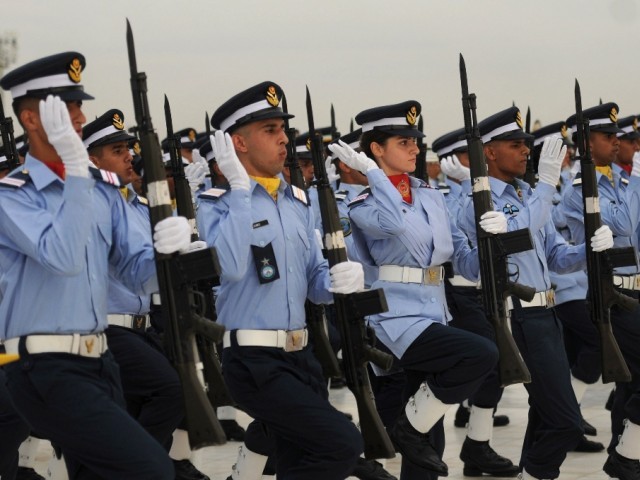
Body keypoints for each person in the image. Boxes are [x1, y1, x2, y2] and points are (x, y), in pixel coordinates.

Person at [0, 51, 192, 480]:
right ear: (31, 119)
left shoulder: (104, 192)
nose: (81, 117)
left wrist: (167, 253)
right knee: (151, 470)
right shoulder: (12, 196)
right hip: (42, 369)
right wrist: (76, 172)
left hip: (100, 359)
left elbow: (136, 274)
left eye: (79, 104)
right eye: (66, 106)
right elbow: (62, 256)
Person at [197, 80, 365, 480]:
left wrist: (337, 278)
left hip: (302, 355)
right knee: (342, 443)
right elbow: (231, 266)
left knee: (298, 459)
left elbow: (313, 282)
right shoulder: (216, 205)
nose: (284, 139)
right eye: (270, 130)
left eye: (283, 129)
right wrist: (239, 188)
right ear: (238, 142)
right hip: (253, 361)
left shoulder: (298, 201)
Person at [328, 100, 502, 478]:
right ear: (376, 149)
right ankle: (405, 430)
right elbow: (392, 223)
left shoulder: (430, 195)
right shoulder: (362, 203)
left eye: (415, 141)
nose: (414, 148)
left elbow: (463, 263)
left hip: (433, 312)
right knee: (479, 354)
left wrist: (491, 240)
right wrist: (373, 174)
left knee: (429, 441)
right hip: (393, 317)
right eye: (403, 141)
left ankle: (408, 432)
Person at [458, 106, 614, 480]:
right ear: (490, 152)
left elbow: (556, 256)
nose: (526, 151)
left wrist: (590, 251)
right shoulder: (481, 202)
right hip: (519, 316)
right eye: (515, 144)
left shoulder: (527, 195)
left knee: (546, 416)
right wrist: (546, 188)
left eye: (526, 144)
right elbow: (518, 235)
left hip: (547, 313)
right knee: (565, 422)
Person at [432, 127, 520, 477]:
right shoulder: (442, 192)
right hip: (460, 291)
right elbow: (453, 236)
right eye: (471, 157)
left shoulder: (483, 187)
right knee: (486, 361)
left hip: (487, 290)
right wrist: (466, 186)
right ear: (454, 160)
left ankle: (478, 446)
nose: (479, 163)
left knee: (497, 368)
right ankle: (467, 442)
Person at [563, 103, 640, 479]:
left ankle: (625, 454)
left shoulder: (617, 182)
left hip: (634, 292)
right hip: (611, 298)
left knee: (629, 382)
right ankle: (625, 455)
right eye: (608, 136)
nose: (618, 142)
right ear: (586, 143)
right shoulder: (580, 190)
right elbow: (626, 223)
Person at [530, 121, 604, 453]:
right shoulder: (538, 191)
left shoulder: (560, 184)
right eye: (561, 150)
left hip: (575, 280)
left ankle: (567, 418)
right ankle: (568, 413)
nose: (568, 155)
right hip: (558, 289)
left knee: (576, 352)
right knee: (596, 343)